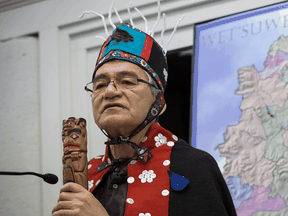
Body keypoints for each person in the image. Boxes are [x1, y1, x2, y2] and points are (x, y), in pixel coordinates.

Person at [52, 18, 237, 216]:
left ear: (158, 101)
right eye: (100, 85)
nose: (110, 91)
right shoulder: (88, 174)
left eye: (127, 82)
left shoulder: (194, 167)